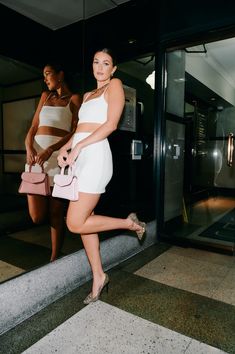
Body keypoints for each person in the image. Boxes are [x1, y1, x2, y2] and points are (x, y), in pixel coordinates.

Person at [57, 48, 146, 305]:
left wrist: (80, 148)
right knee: (87, 220)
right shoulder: (86, 95)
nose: (100, 67)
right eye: (96, 62)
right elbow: (79, 130)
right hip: (80, 156)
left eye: (106, 63)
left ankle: (130, 224)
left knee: (74, 223)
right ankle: (98, 276)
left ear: (113, 69)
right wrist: (66, 148)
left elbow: (110, 125)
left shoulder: (114, 86)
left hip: (95, 158)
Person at [25, 63, 81, 261]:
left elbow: (75, 132)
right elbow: (33, 126)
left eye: (48, 74)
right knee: (37, 217)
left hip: (57, 160)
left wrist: (51, 149)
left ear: (60, 74)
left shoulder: (74, 99)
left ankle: (54, 257)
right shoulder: (45, 97)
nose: (45, 78)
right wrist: (28, 146)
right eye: (44, 75)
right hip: (36, 160)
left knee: (56, 214)